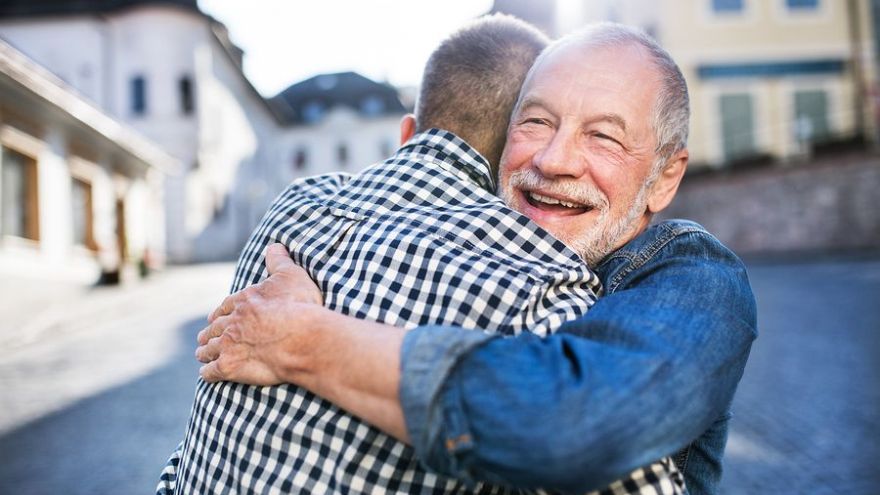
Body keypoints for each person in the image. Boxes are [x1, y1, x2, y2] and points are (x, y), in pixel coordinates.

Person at [195, 22, 758, 495]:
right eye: (536, 121)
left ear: (665, 177)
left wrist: (301, 338)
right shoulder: (488, 261)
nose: (555, 159)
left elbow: (574, 423)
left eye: (603, 137)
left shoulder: (696, 274)